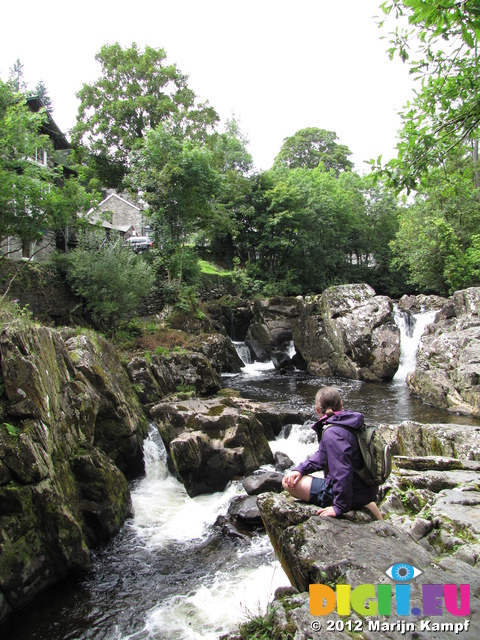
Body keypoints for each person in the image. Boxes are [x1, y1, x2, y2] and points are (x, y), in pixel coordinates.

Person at [282, 386, 382, 520]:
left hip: (352, 494)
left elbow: (342, 471)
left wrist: (339, 507)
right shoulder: (351, 422)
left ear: (317, 409)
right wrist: (300, 469)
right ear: (341, 405)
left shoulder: (332, 433)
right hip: (367, 490)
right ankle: (375, 514)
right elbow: (322, 457)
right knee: (294, 476)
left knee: (287, 483)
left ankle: (355, 503)